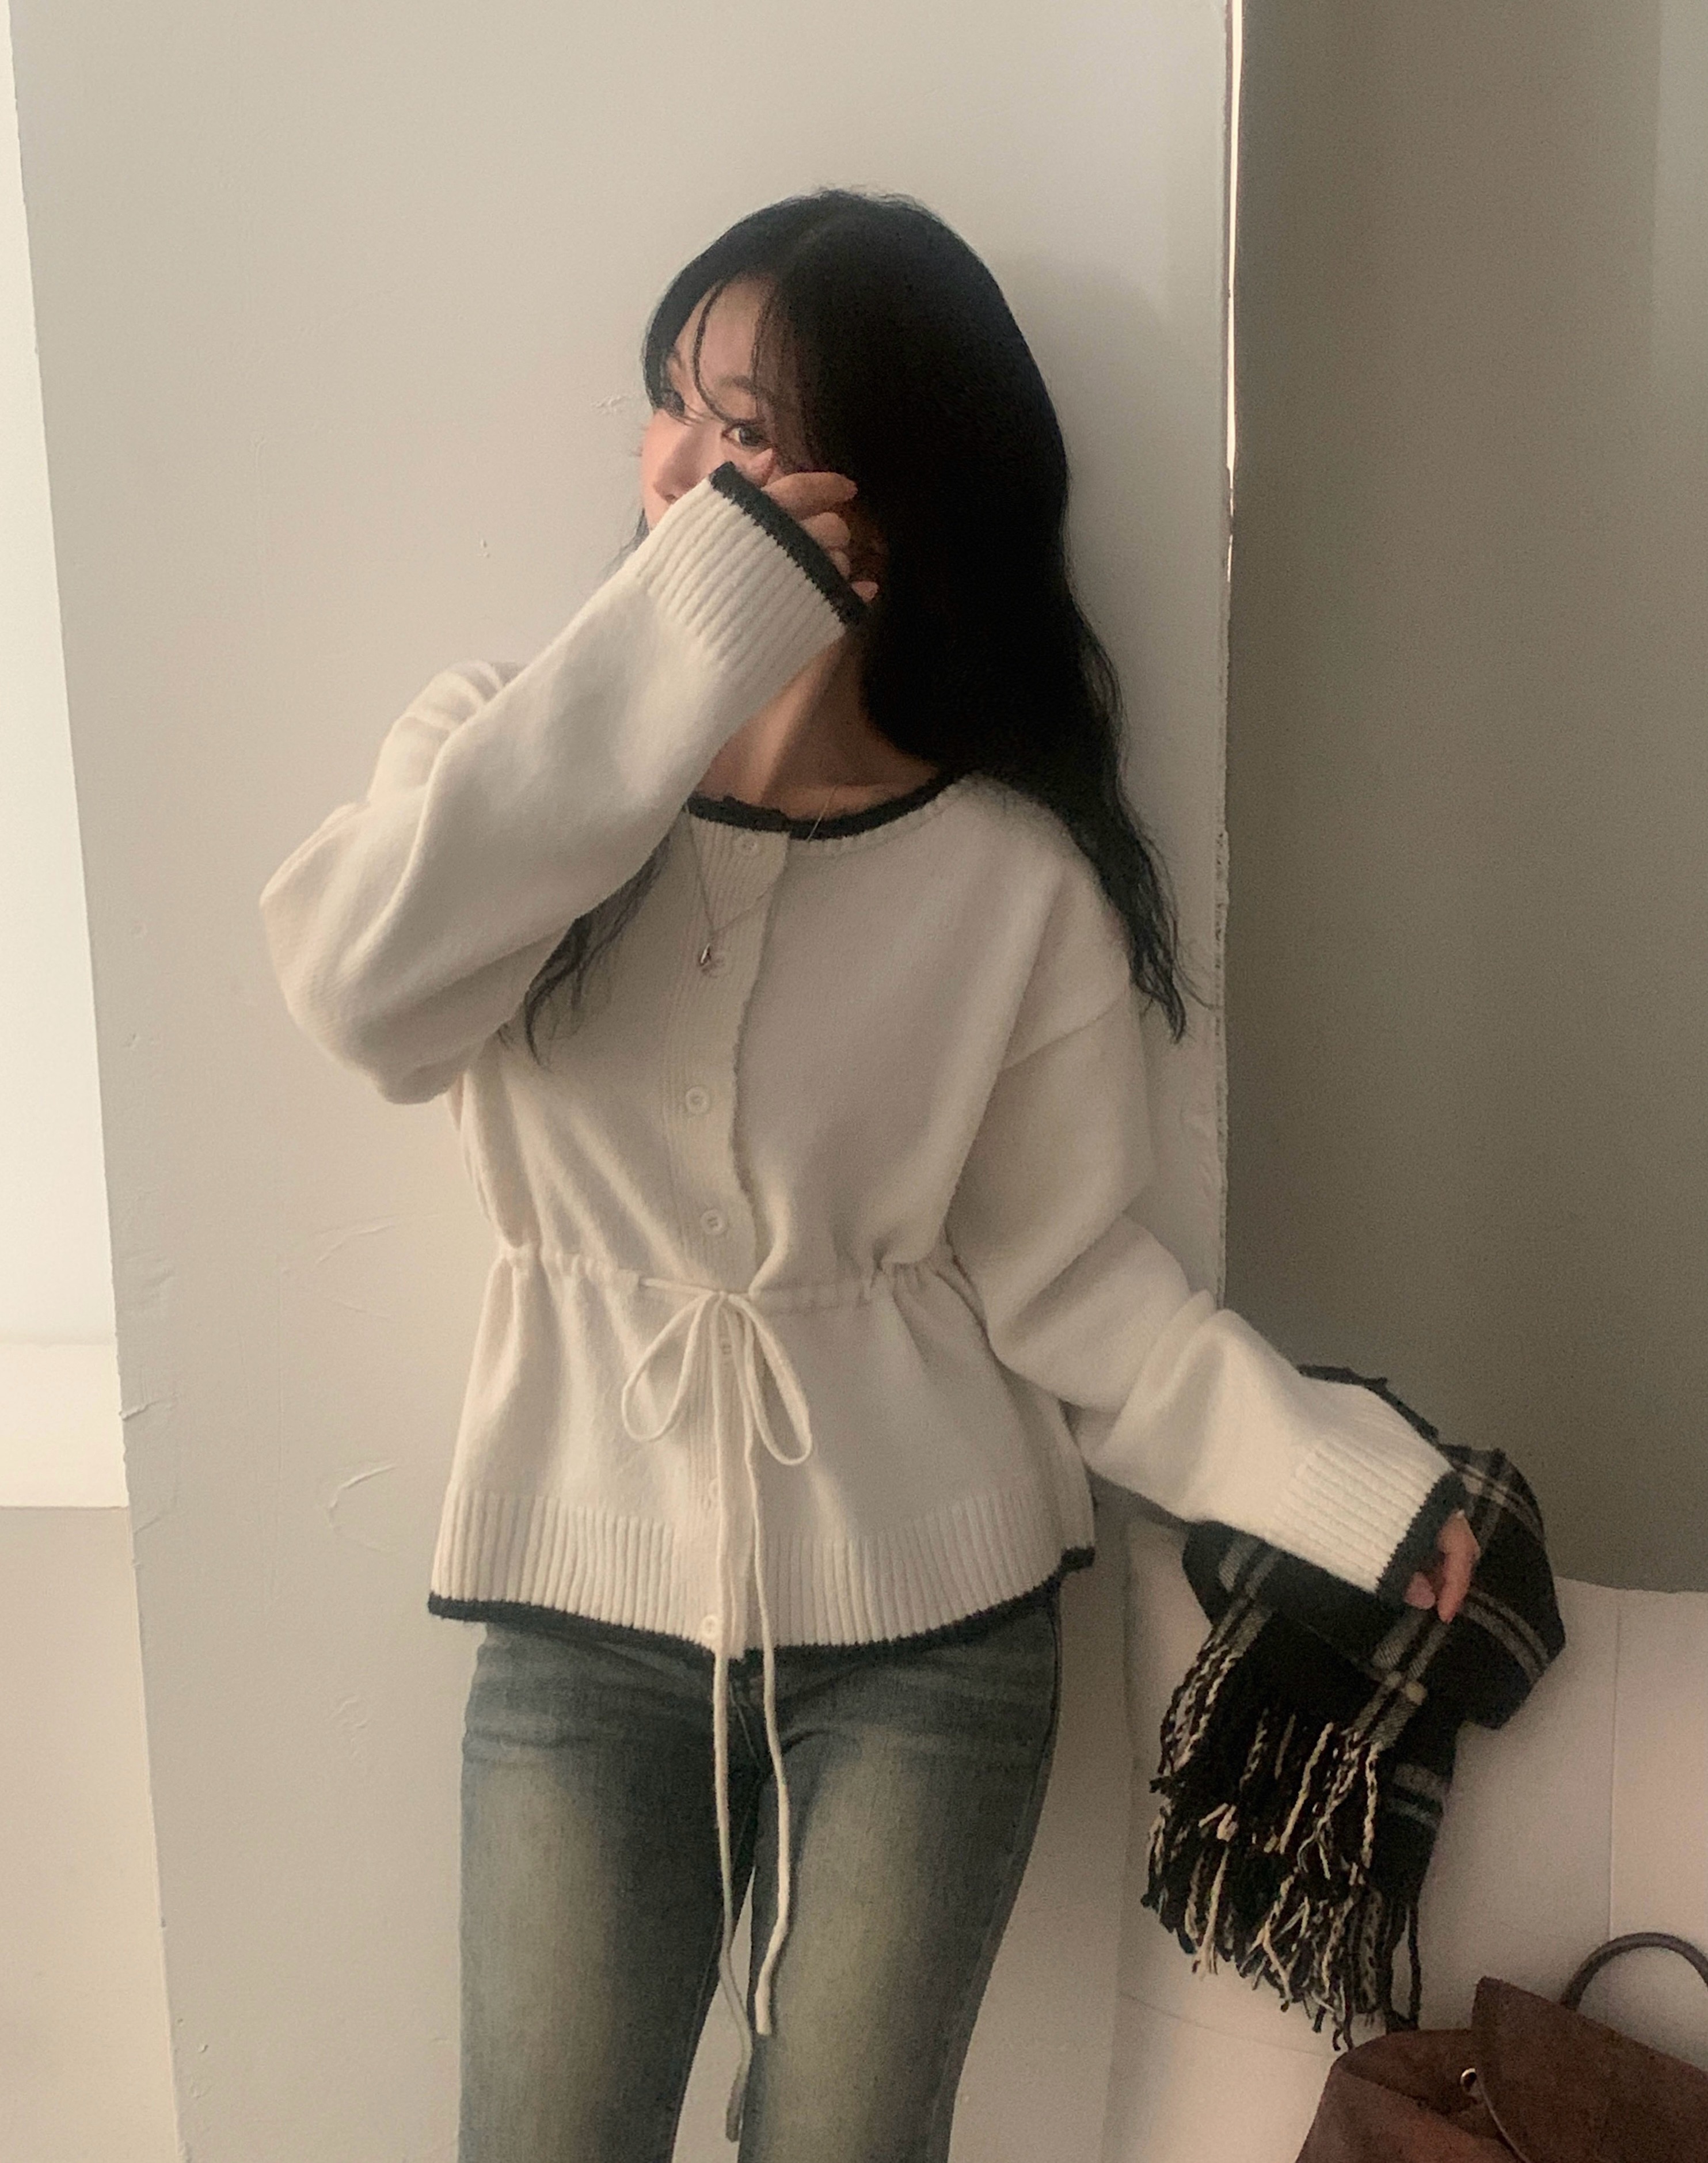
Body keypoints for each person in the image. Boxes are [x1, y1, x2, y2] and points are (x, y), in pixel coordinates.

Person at [259, 187, 1478, 2163]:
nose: (678, 465)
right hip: (580, 1618)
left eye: (741, 427)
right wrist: (666, 651)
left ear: (884, 510)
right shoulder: (499, 755)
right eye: (668, 400)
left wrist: (1343, 1485)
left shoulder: (1011, 879)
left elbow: (1081, 1300)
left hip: (929, 1649)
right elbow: (362, 997)